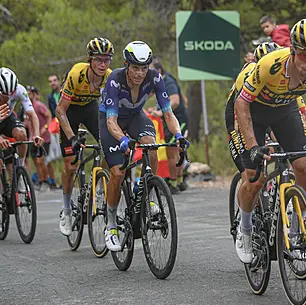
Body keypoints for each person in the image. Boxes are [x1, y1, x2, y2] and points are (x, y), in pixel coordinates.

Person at [232, 18, 306, 263]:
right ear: (292, 50)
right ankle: (245, 229)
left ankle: (298, 229)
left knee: (304, 167)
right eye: (305, 56)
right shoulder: (270, 65)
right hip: (253, 110)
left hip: (283, 108)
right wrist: (253, 147)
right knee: (254, 178)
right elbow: (242, 103)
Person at [100, 41, 189, 251]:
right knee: (118, 173)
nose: (140, 74)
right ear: (126, 65)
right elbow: (111, 122)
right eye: (135, 68)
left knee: (151, 146)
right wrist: (122, 139)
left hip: (135, 117)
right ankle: (111, 224)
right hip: (111, 120)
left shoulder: (155, 78)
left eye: (143, 68)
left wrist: (178, 135)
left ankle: (147, 193)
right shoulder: (114, 80)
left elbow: (168, 113)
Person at [225, 42, 306, 174]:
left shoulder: (287, 78)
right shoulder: (247, 76)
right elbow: (240, 118)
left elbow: (303, 113)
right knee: (251, 173)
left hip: (272, 110)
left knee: (280, 146)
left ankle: (275, 182)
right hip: (241, 111)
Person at [56, 37, 113, 236]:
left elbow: (112, 109)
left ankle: (99, 187)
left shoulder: (109, 77)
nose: (103, 64)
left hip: (90, 109)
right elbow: (60, 111)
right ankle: (67, 210)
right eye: (98, 59)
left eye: (106, 59)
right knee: (71, 165)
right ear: (89, 59)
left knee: (110, 148)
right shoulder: (76, 74)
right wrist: (72, 137)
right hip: (69, 111)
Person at [150, 57, 190, 194]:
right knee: (175, 151)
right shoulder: (159, 82)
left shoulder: (168, 82)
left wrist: (160, 113)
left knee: (172, 152)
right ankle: (178, 181)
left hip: (177, 119)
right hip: (172, 119)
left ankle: (173, 183)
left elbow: (175, 101)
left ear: (159, 70)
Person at [0, 69, 44, 171]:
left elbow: (32, 115)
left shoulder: (20, 90)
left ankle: (20, 168)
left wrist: (36, 134)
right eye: (5, 94)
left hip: (7, 118)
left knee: (22, 135)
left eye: (11, 93)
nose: (8, 97)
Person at [24, 86, 53, 191]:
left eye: (30, 93)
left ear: (34, 94)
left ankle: (46, 181)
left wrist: (46, 127)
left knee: (41, 161)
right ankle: (41, 181)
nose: (28, 95)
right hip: (32, 138)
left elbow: (49, 115)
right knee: (36, 162)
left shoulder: (39, 105)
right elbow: (26, 122)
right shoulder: (26, 107)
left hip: (43, 137)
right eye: (27, 94)